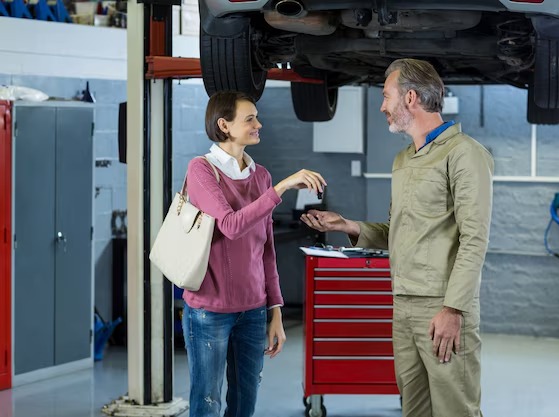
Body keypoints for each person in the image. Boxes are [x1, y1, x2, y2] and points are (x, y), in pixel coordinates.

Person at [300, 59, 494, 417]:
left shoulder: (464, 153)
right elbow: (399, 233)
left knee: (455, 408)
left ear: (410, 98)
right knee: (414, 408)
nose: (382, 106)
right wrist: (346, 225)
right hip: (402, 303)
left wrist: (453, 309)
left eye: (386, 96)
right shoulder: (403, 159)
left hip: (441, 304)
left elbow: (474, 238)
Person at [183, 90, 326, 417]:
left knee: (245, 403)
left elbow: (266, 250)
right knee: (207, 403)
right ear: (225, 125)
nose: (259, 124)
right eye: (250, 119)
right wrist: (281, 189)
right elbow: (231, 225)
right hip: (210, 312)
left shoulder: (260, 176)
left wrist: (275, 311)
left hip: (252, 311)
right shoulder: (202, 170)